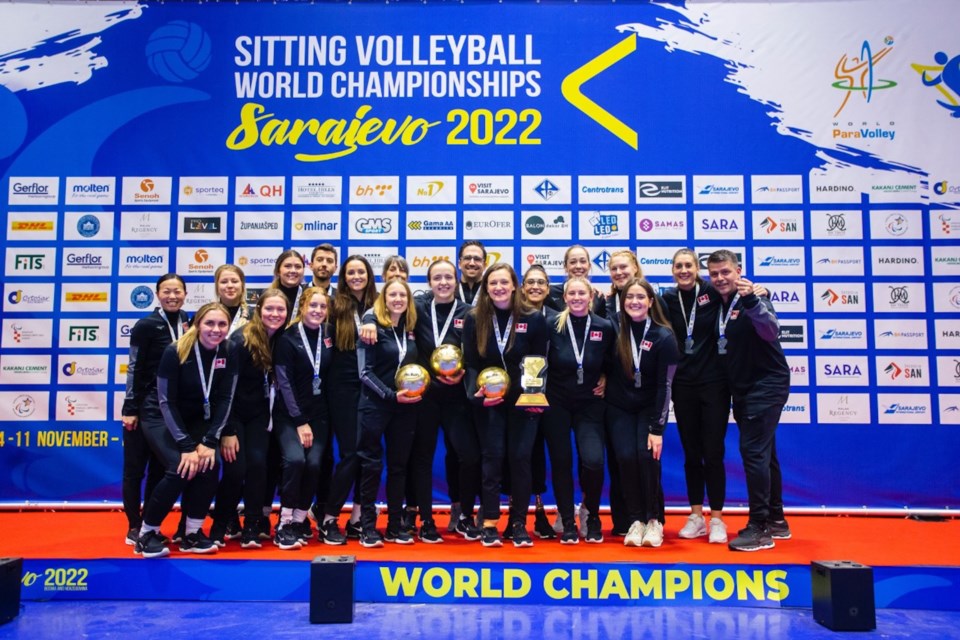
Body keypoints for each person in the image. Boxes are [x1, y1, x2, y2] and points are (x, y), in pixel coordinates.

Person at [134, 302, 238, 558]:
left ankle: (191, 533)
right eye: (210, 323)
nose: (216, 329)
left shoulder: (230, 349)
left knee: (208, 465)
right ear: (197, 324)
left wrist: (211, 440)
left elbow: (226, 398)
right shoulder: (176, 350)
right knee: (179, 468)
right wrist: (186, 445)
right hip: (160, 416)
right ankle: (146, 534)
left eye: (222, 324)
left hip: (197, 417)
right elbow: (165, 401)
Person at [705, 250, 791, 552]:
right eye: (714, 274)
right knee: (765, 453)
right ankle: (777, 519)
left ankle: (759, 527)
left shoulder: (754, 299)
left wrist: (755, 299)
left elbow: (771, 331)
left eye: (725, 272)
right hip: (743, 389)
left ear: (738, 270)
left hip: (766, 385)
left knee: (754, 453)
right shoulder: (720, 301)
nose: (719, 278)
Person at [462, 263, 548, 548]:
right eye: (493, 283)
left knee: (521, 459)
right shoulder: (475, 318)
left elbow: (538, 362)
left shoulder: (533, 318)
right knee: (492, 458)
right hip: (489, 402)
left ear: (514, 285)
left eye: (504, 282)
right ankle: (488, 522)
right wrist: (480, 393)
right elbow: (472, 364)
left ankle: (518, 523)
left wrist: (532, 399)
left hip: (522, 403)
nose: (498, 287)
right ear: (486, 288)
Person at [209, 289, 289, 548]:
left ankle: (253, 525)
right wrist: (228, 430)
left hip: (259, 415)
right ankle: (222, 522)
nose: (275, 314)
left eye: (280, 310)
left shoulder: (281, 338)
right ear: (258, 310)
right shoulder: (240, 340)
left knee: (258, 466)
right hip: (233, 416)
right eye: (269, 309)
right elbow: (225, 390)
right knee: (236, 469)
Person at [661, 248, 731, 544]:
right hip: (683, 385)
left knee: (712, 452)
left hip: (714, 384)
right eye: (678, 266)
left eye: (688, 265)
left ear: (697, 268)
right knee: (691, 454)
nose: (684, 270)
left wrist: (758, 289)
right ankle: (695, 515)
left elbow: (741, 294)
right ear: (673, 270)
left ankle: (717, 518)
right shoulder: (666, 300)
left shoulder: (714, 293)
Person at [408, 260, 479, 542]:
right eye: (437, 278)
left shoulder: (469, 313)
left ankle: (463, 514)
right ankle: (425, 519)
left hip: (457, 396)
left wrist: (464, 373)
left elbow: (476, 352)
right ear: (429, 282)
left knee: (469, 455)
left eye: (448, 277)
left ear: (457, 279)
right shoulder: (418, 310)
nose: (443, 283)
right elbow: (384, 315)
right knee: (422, 458)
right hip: (425, 397)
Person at [605, 278, 679, 548]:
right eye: (628, 297)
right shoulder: (614, 327)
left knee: (647, 458)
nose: (634, 302)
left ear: (650, 302)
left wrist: (657, 429)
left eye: (640, 297)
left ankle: (654, 520)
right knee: (625, 458)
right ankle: (635, 520)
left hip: (650, 407)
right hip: (619, 407)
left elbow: (666, 385)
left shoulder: (664, 335)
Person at [542, 277, 615, 544]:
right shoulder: (551, 325)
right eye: (571, 293)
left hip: (590, 403)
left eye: (581, 293)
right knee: (561, 463)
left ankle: (592, 515)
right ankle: (567, 520)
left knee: (593, 461)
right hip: (557, 403)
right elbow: (537, 361)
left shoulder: (604, 326)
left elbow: (612, 361)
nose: (576, 297)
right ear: (564, 297)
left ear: (590, 296)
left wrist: (606, 377)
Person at [121, 274, 190, 546]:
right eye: (166, 291)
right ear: (157, 294)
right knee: (134, 470)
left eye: (177, 291)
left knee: (161, 469)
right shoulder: (146, 325)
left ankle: (151, 522)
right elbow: (134, 367)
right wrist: (130, 408)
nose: (172, 296)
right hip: (143, 406)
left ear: (185, 294)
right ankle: (133, 525)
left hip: (170, 408)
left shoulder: (187, 321)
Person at [356, 278, 422, 547]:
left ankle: (395, 524)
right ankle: (368, 527)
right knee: (371, 465)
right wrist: (390, 395)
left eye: (402, 295)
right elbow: (364, 372)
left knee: (399, 466)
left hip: (406, 408)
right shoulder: (371, 328)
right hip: (376, 405)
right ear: (383, 299)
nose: (398, 299)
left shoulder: (410, 328)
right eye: (392, 294)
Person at [317, 256, 378, 544]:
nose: (356, 276)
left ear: (369, 275)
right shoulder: (334, 306)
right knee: (352, 453)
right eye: (350, 272)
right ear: (343, 277)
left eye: (361, 272)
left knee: (368, 455)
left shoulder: (379, 305)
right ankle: (328, 516)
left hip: (374, 388)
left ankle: (356, 519)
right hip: (343, 388)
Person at [272, 287, 333, 550]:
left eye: (322, 306)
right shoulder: (287, 339)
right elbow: (284, 383)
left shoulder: (328, 335)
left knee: (315, 464)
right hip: (290, 414)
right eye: (313, 305)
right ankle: (284, 522)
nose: (317, 311)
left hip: (319, 414)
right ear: (302, 307)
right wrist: (299, 421)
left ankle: (299, 520)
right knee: (296, 460)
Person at [520, 264, 556, 539]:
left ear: (548, 287)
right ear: (522, 287)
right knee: (522, 454)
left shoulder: (558, 318)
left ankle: (541, 510)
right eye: (530, 282)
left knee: (544, 456)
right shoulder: (512, 317)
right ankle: (515, 512)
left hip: (554, 395)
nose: (535, 287)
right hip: (520, 397)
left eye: (540, 282)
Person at [545, 245, 604, 312]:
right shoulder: (550, 292)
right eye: (573, 262)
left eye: (583, 261)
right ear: (565, 267)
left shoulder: (598, 296)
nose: (578, 266)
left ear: (589, 266)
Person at [214, 264, 250, 337]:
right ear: (217, 286)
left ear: (242, 285)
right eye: (224, 282)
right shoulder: (206, 315)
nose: (230, 286)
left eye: (234, 281)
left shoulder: (255, 315)